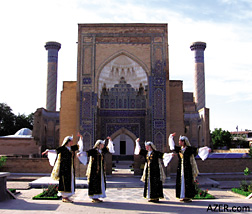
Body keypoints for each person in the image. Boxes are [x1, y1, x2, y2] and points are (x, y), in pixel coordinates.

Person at [168, 133, 210, 202]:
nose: (179, 142)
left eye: (180, 141)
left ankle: (187, 196)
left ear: (184, 142)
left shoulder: (189, 149)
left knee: (187, 182)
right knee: (180, 181)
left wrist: (206, 149)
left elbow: (198, 150)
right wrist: (171, 137)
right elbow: (172, 147)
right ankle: (182, 195)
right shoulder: (179, 149)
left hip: (187, 168)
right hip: (180, 168)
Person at [77, 135, 115, 203]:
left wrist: (110, 141)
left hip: (100, 171)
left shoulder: (102, 151)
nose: (103, 146)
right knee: (94, 183)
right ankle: (94, 197)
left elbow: (110, 149)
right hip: (94, 171)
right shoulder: (94, 151)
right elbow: (86, 153)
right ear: (99, 145)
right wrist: (80, 154)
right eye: (102, 144)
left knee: (100, 183)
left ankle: (97, 196)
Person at [134, 138, 173, 203]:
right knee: (149, 183)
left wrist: (170, 155)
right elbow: (138, 151)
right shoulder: (146, 153)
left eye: (147, 146)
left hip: (155, 171)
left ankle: (156, 197)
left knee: (155, 184)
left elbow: (163, 155)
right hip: (148, 171)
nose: (146, 147)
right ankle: (150, 196)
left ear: (150, 146)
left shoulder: (156, 153)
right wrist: (137, 142)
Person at [42, 135, 79, 203]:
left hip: (70, 168)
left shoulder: (71, 148)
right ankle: (64, 197)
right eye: (71, 141)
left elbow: (79, 146)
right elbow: (55, 151)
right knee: (64, 181)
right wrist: (48, 151)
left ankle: (66, 196)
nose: (72, 142)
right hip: (64, 168)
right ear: (68, 142)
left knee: (69, 181)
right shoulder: (63, 148)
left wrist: (81, 138)